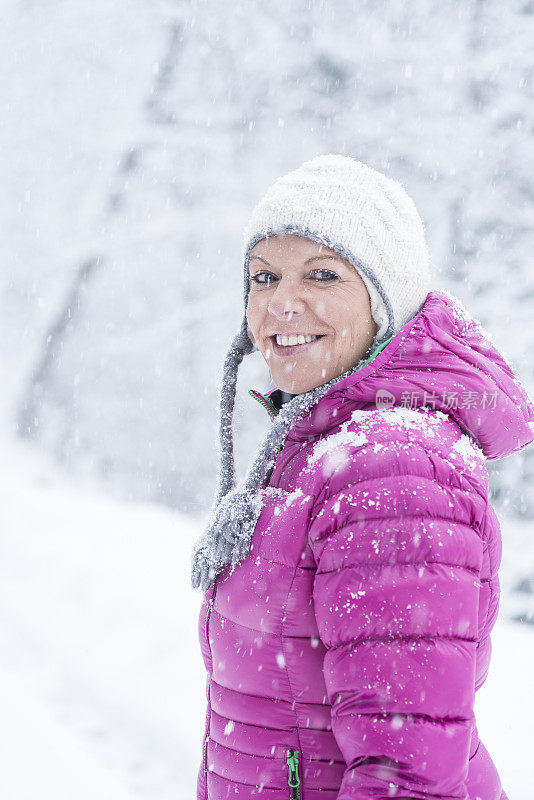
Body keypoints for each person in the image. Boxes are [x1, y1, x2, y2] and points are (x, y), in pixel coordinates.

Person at [190, 154, 534, 800]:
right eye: (264, 277)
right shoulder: (317, 448)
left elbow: (407, 775)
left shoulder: (391, 471)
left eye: (322, 274)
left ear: (385, 301)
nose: (282, 303)